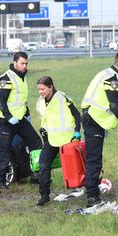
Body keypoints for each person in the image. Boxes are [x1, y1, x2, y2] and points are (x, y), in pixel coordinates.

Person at [80, 51, 118, 207]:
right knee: (94, 160)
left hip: (94, 119)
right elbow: (114, 105)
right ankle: (92, 198)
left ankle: (92, 191)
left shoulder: (107, 73)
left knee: (94, 158)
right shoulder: (111, 79)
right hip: (93, 120)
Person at [0, 52, 42, 189]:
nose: (25, 66)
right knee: (5, 150)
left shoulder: (22, 78)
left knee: (36, 141)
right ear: (15, 62)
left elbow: (21, 100)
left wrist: (27, 113)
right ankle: (0, 182)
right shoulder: (6, 78)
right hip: (6, 121)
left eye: (26, 63)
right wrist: (9, 117)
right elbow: (1, 101)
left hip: (20, 119)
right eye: (22, 63)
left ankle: (36, 174)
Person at [35, 76, 82, 206]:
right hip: (51, 139)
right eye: (38, 89)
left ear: (50, 87)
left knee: (76, 167)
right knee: (43, 165)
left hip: (67, 140)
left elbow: (77, 115)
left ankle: (88, 188)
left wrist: (77, 131)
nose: (41, 92)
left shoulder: (62, 97)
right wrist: (43, 130)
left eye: (43, 89)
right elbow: (45, 119)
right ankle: (44, 196)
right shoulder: (40, 101)